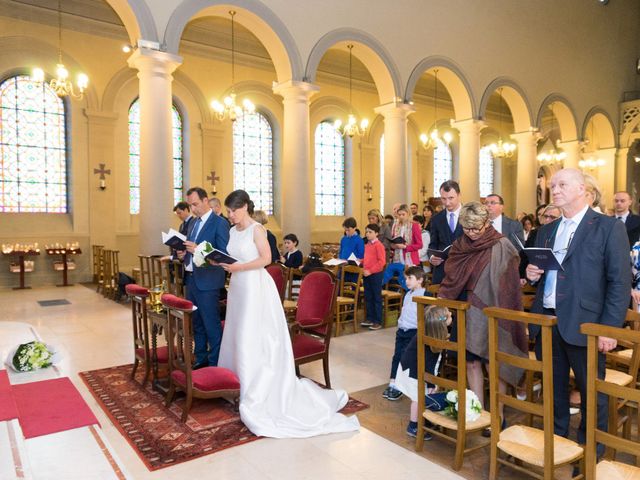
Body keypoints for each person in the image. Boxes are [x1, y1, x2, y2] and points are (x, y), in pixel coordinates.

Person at [216, 189, 360, 438]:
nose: (229, 215)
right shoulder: (231, 230)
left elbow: (266, 258)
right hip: (238, 287)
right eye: (228, 211)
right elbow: (234, 255)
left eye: (233, 211)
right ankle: (236, 383)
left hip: (254, 287)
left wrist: (239, 267)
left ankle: (255, 388)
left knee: (253, 335)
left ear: (245, 208)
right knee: (237, 334)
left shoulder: (256, 230)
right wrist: (222, 262)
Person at [526, 168, 630, 454]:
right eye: (552, 185)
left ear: (583, 189)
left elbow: (619, 282)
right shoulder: (546, 230)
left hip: (587, 323)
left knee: (591, 394)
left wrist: (609, 330)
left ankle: (590, 453)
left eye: (561, 184)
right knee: (554, 389)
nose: (554, 190)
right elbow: (544, 273)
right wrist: (532, 272)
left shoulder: (608, 227)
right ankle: (558, 445)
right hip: (548, 321)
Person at [439, 201, 528, 428]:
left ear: (486, 223)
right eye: (467, 229)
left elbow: (509, 286)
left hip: (495, 311)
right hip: (465, 309)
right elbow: (452, 275)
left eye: (475, 229)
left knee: (493, 364)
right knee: (471, 362)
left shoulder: (502, 245)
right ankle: (478, 410)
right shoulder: (461, 245)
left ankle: (497, 415)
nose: (471, 233)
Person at [178, 187, 230, 368]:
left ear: (206, 201)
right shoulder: (193, 223)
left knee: (211, 324)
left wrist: (199, 249)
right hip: (192, 279)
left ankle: (216, 363)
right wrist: (182, 254)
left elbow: (223, 253)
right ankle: (201, 359)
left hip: (208, 281)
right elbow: (190, 250)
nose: (193, 209)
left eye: (196, 204)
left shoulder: (219, 223)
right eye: (190, 205)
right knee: (197, 323)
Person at [394, 305, 452, 439]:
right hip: (412, 372)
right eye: (448, 314)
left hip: (415, 369)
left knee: (422, 397)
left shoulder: (430, 332)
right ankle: (413, 426)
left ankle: (423, 420)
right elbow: (428, 365)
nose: (450, 313)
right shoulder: (429, 341)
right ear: (441, 323)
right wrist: (431, 384)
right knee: (418, 399)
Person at [382, 266, 426, 400]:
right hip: (402, 330)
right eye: (406, 278)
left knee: (405, 358)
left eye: (410, 278)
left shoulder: (425, 295)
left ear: (420, 280)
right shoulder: (408, 294)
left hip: (413, 332)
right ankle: (393, 382)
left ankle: (401, 386)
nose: (406, 281)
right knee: (397, 356)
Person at [429, 180, 464, 285]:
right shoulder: (436, 219)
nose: (447, 203)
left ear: (459, 195)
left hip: (465, 271)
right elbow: (433, 244)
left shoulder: (470, 215)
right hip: (442, 272)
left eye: (451, 198)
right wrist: (432, 257)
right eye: (443, 199)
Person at [381, 204, 423, 290]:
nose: (401, 217)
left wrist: (405, 247)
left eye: (403, 214)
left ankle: (409, 297)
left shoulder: (414, 225)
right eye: (399, 215)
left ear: (408, 214)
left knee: (408, 283)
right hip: (397, 257)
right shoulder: (395, 226)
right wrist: (393, 245)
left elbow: (419, 244)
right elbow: (392, 240)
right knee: (390, 277)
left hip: (409, 259)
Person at [360, 224, 386, 331]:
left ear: (376, 233)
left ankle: (378, 321)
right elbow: (366, 259)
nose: (368, 234)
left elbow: (382, 262)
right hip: (366, 274)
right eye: (366, 232)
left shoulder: (379, 245)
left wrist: (370, 271)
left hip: (375, 274)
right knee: (368, 297)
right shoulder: (367, 245)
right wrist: (359, 261)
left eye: (370, 232)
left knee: (376, 298)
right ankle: (370, 318)